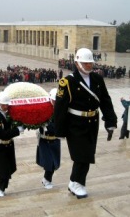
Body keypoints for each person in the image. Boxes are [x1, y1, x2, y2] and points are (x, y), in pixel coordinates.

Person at [54, 48, 117, 199]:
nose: (89, 66)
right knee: (82, 156)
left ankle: (73, 182)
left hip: (92, 123)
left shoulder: (97, 79)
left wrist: (110, 121)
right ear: (77, 63)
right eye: (85, 63)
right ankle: (78, 184)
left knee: (87, 154)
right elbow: (60, 107)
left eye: (90, 63)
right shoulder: (67, 82)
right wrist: (60, 130)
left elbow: (105, 101)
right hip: (74, 124)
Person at [0, 91, 23, 197]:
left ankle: (3, 187)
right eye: (3, 104)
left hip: (9, 145)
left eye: (7, 104)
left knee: (9, 168)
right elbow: (1, 134)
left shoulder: (10, 114)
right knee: (2, 169)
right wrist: (17, 131)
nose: (6, 106)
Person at [36, 88, 61, 189]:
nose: (55, 102)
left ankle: (47, 179)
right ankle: (47, 180)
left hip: (55, 139)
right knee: (48, 162)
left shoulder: (61, 110)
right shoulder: (44, 110)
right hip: (44, 140)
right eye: (54, 100)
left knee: (54, 163)